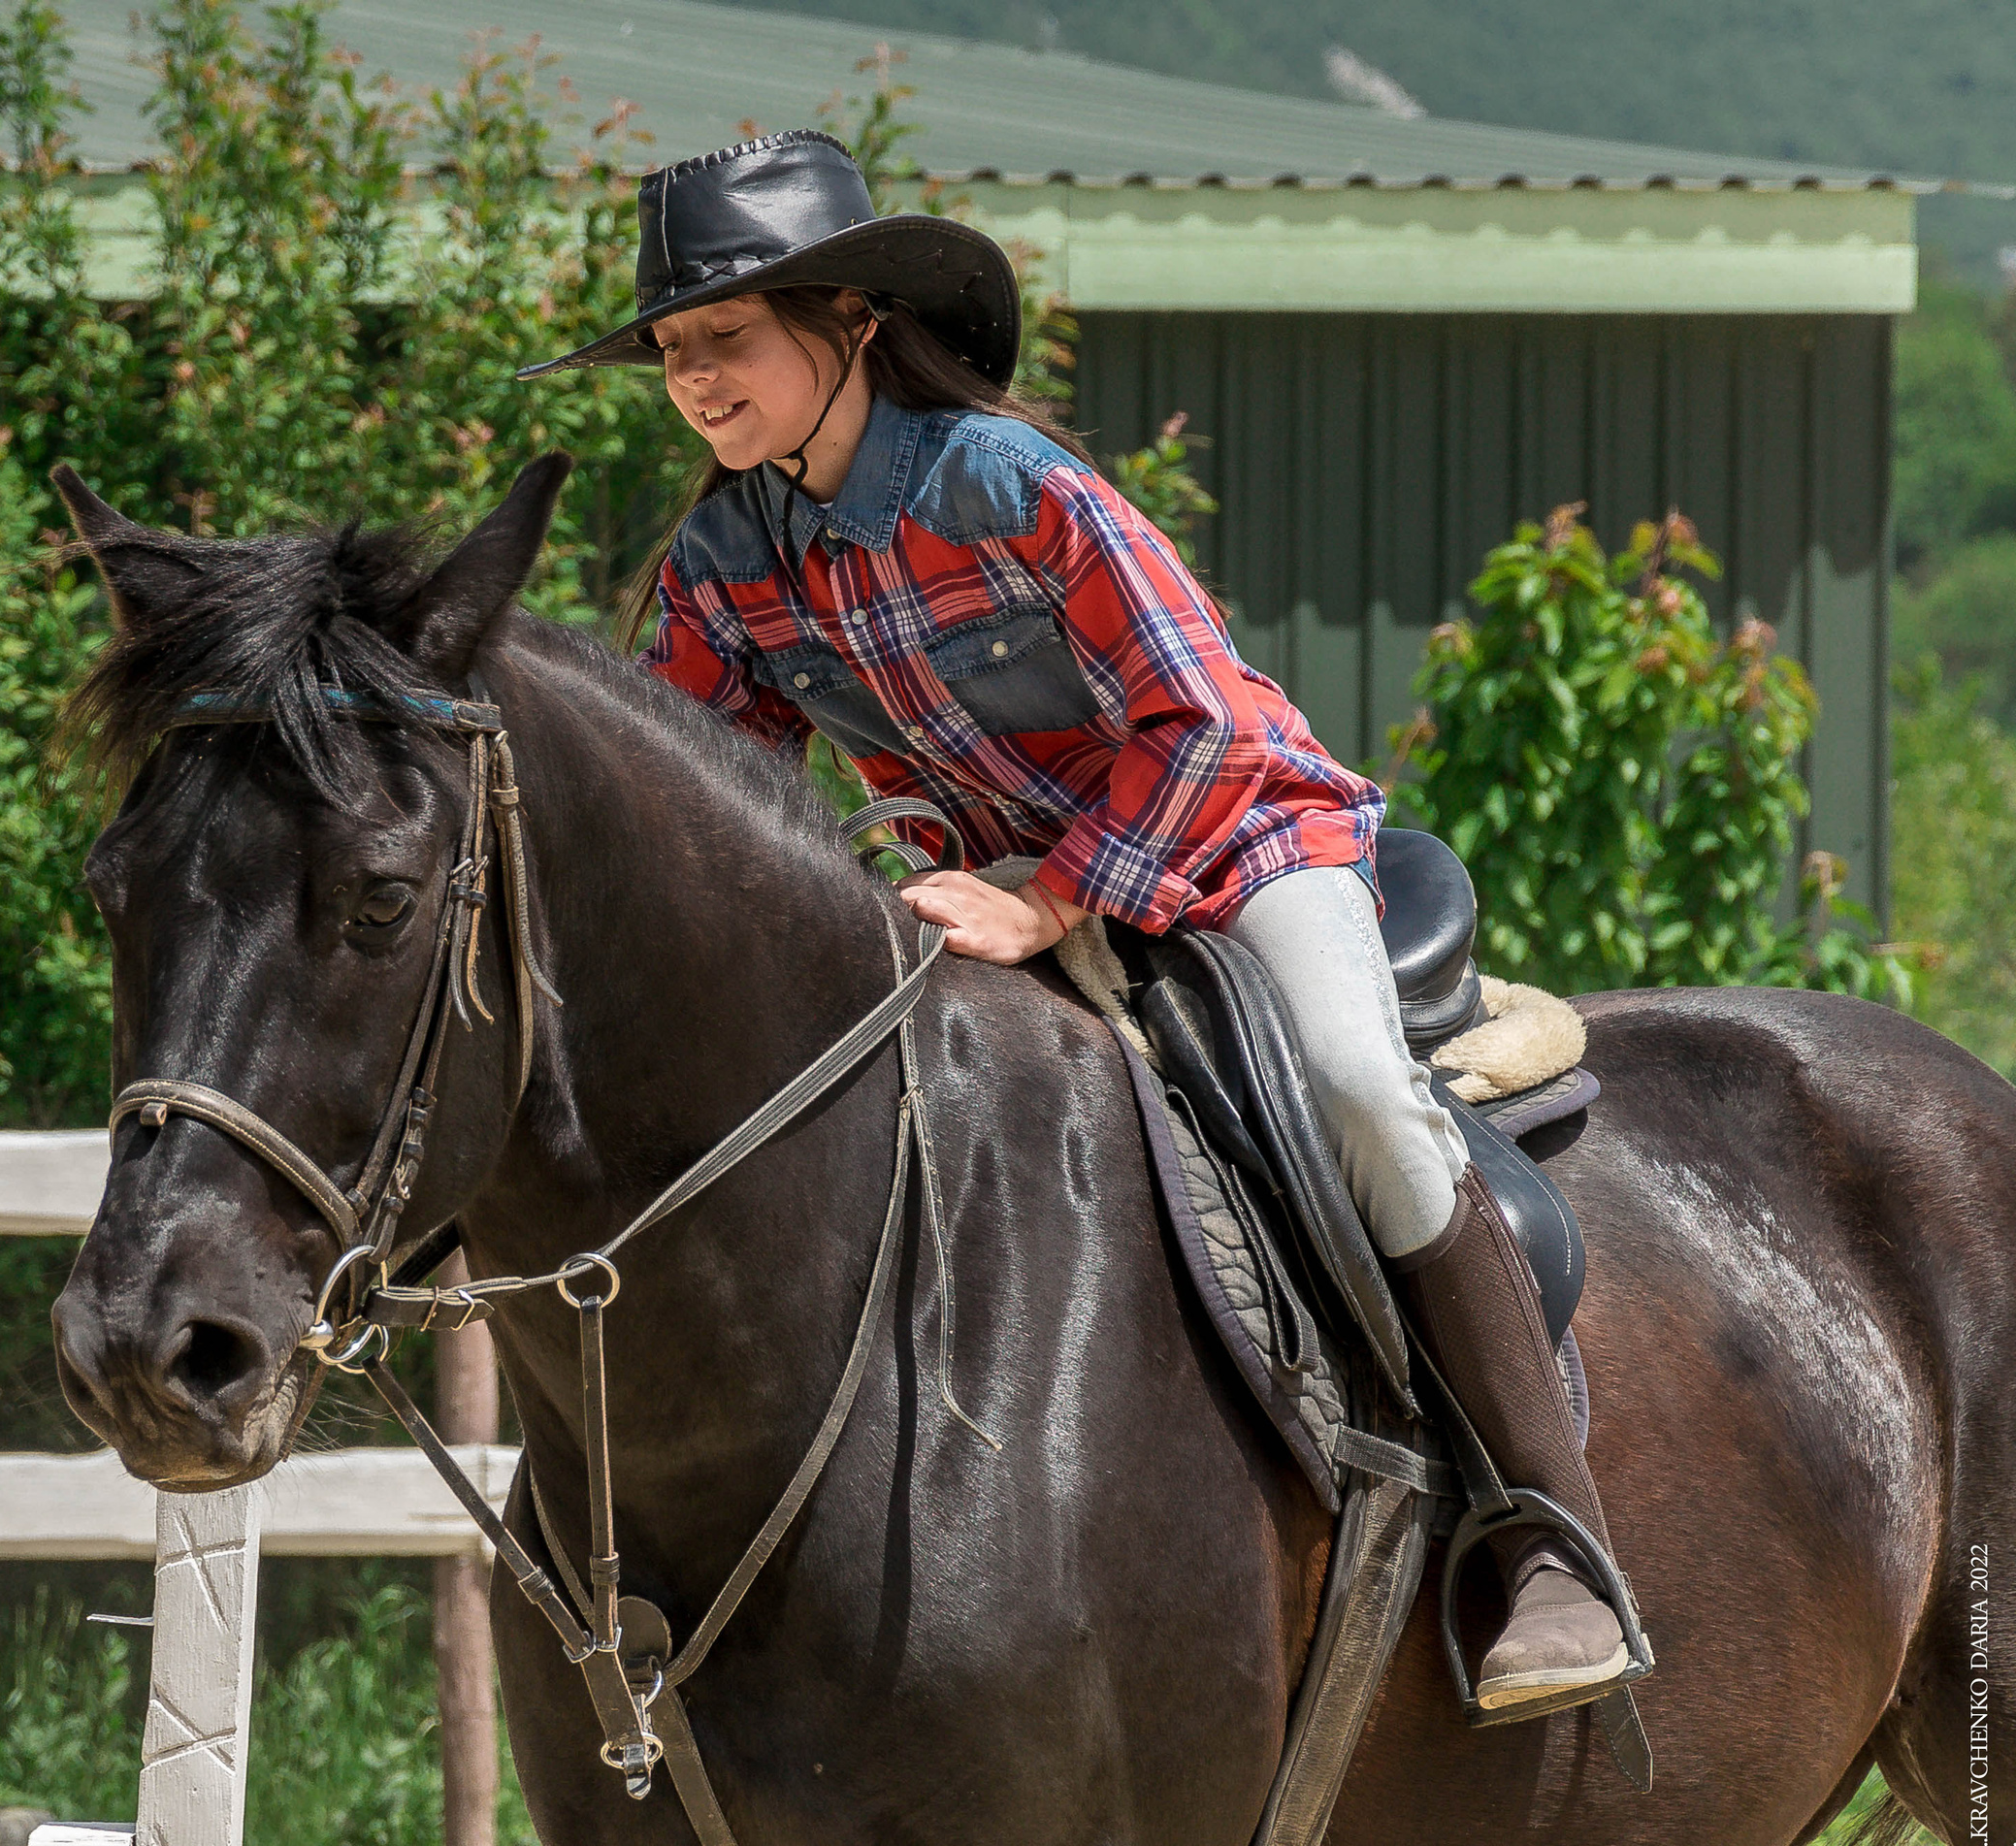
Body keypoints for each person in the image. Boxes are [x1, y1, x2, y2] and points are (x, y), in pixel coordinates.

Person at [518, 128, 1635, 1713]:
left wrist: (1051, 894)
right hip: (990, 908)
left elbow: (1206, 727)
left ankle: (1551, 1541)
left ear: (846, 322)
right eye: (673, 351)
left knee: (1358, 1085)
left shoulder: (1016, 486)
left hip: (1238, 855)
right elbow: (722, 815)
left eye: (727, 338)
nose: (694, 378)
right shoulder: (723, 559)